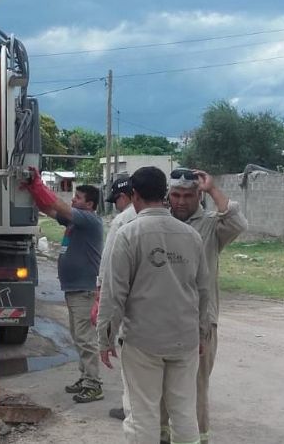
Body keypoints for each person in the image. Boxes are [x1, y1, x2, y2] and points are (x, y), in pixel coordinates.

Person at [98, 166, 210, 444]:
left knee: (142, 414)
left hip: (142, 341)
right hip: (184, 340)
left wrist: (105, 338)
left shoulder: (128, 234)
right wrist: (202, 332)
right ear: (165, 195)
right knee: (184, 412)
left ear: (134, 194)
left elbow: (114, 294)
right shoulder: (191, 236)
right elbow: (203, 290)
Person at [159, 167, 248, 444]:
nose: (182, 201)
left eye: (188, 195)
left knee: (195, 386)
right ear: (168, 196)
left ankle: (200, 437)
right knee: (160, 386)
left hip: (200, 323)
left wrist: (212, 189)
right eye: (176, 195)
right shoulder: (157, 223)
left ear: (198, 195)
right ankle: (162, 435)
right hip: (161, 319)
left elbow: (237, 223)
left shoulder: (210, 224)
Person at [23, 167, 104, 403]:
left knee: (85, 338)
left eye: (78, 198)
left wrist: (38, 184)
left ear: (89, 205)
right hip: (74, 288)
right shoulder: (74, 222)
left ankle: (94, 384)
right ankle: (85, 377)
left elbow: (57, 204)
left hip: (84, 289)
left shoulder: (89, 220)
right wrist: (32, 190)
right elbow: (48, 209)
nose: (73, 200)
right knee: (78, 336)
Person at [92, 176, 138, 419]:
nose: (117, 205)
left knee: (130, 359)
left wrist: (100, 293)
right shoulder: (168, 218)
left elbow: (108, 262)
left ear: (127, 196)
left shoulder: (123, 221)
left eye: (118, 200)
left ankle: (131, 409)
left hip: (125, 299)